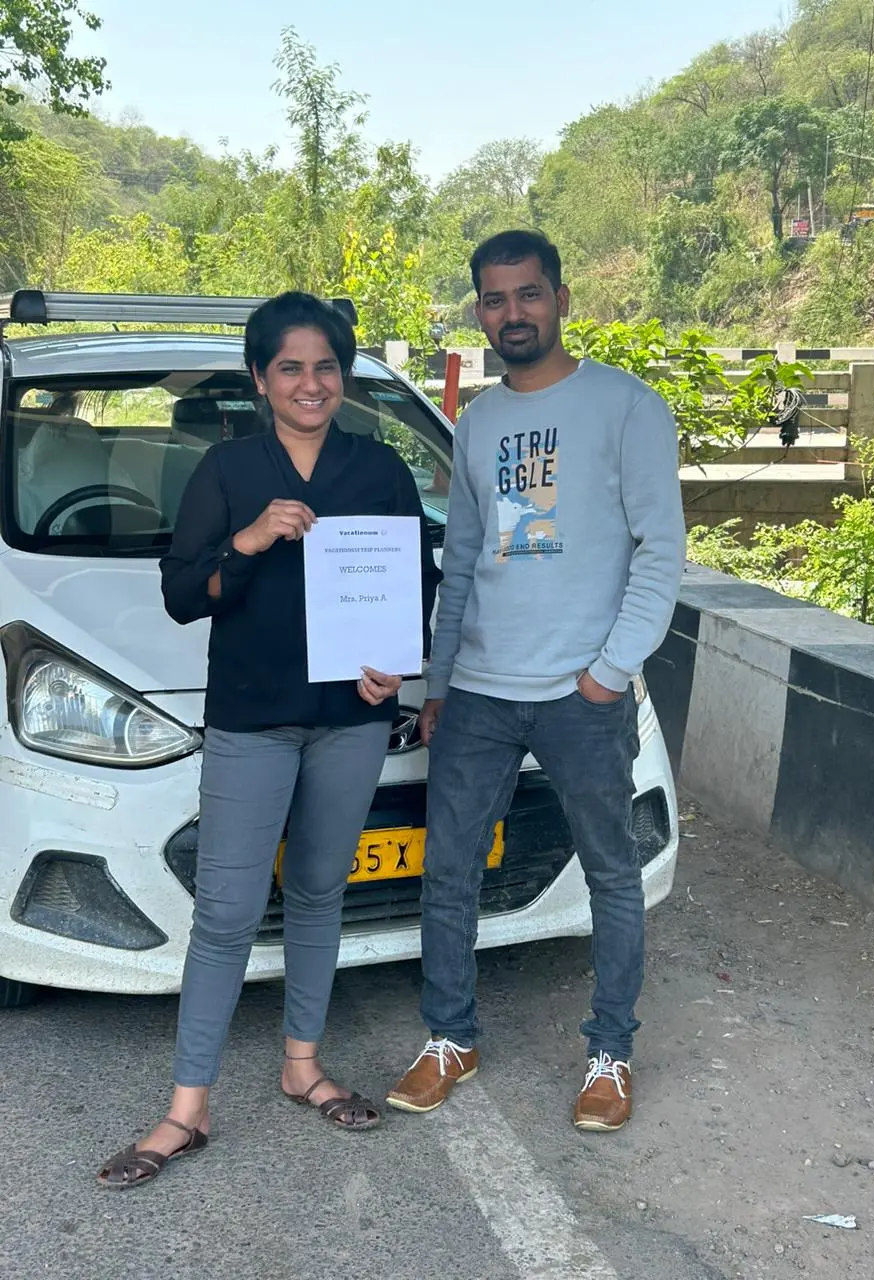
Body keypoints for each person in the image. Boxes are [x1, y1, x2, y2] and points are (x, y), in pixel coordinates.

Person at [98, 291, 440, 1188]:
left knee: (322, 890)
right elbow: (182, 593)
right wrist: (247, 541)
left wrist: (395, 665)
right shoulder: (227, 470)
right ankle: (187, 1110)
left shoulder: (380, 471)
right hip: (252, 717)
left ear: (345, 375)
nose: (310, 382)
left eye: (325, 366)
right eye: (289, 367)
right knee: (226, 913)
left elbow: (418, 582)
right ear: (260, 379)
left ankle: (303, 1067)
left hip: (351, 721)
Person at [386, 230, 685, 1133]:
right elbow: (465, 557)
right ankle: (451, 1037)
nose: (511, 313)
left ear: (559, 297)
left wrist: (609, 673)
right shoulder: (476, 424)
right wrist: (439, 682)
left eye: (527, 295)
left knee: (611, 873)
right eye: (493, 298)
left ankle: (610, 1053)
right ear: (478, 310)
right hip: (477, 689)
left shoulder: (627, 407)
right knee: (447, 871)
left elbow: (661, 553)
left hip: (578, 694)